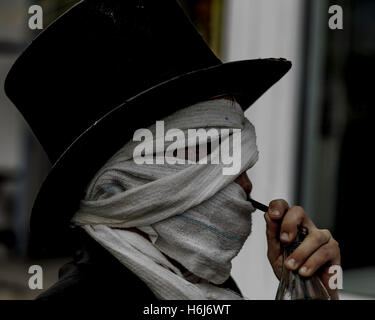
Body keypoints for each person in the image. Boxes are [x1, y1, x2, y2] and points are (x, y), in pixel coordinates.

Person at [4, 0, 340, 300]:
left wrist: (309, 289)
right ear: (122, 185)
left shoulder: (204, 290)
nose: (246, 181)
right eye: (211, 149)